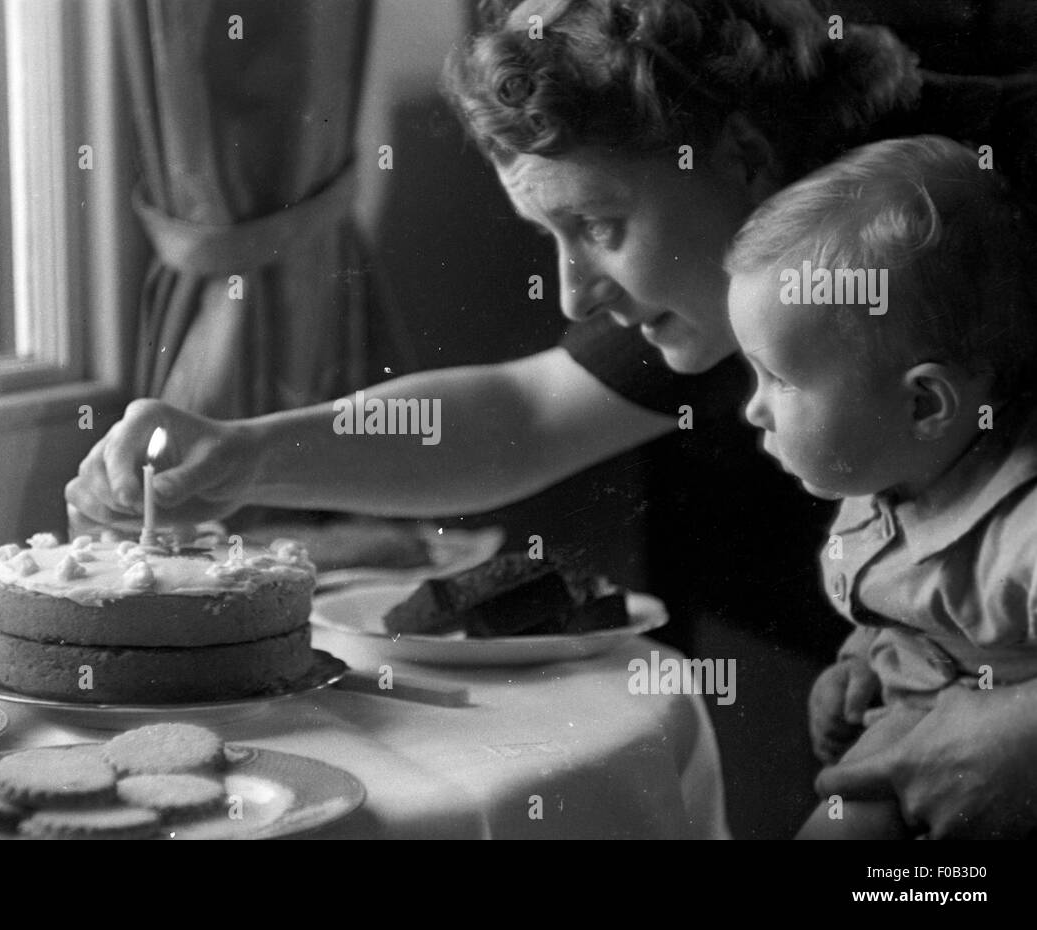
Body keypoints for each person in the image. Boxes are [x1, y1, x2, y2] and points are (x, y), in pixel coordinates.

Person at [67, 0, 1037, 837]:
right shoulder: (751, 229)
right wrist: (241, 455)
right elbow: (526, 414)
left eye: (599, 227)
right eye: (551, 238)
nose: (575, 295)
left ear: (740, 154)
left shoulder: (999, 188)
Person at [724, 135, 1037, 838]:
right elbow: (907, 610)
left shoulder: (1024, 532)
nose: (753, 407)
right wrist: (862, 660)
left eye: (780, 378)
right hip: (913, 742)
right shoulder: (889, 473)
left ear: (924, 405)